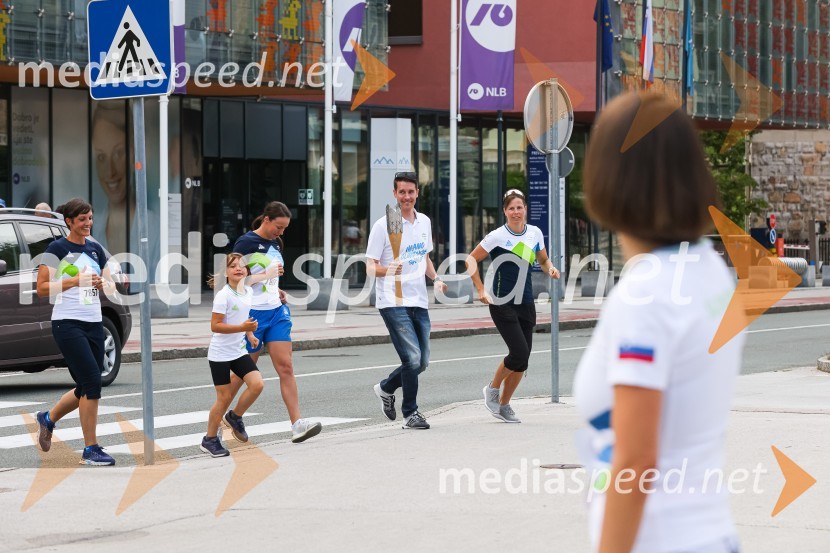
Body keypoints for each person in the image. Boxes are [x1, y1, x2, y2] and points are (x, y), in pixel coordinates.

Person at [573, 92, 743, 553]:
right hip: (709, 533)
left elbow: (636, 461)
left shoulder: (645, 295)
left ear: (609, 179)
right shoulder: (710, 272)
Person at [226, 201, 322, 443]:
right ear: (266, 220)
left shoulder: (276, 243)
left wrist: (276, 290)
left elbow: (269, 280)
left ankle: (297, 425)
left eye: (285, 228)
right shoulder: (245, 243)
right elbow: (236, 282)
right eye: (278, 227)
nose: (281, 233)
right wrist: (266, 276)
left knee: (286, 367)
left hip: (277, 312)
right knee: (242, 374)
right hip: (253, 315)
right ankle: (225, 418)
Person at [33, 198, 118, 466]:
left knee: (85, 385)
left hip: (94, 322)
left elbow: (112, 287)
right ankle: (90, 449)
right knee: (93, 381)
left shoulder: (95, 250)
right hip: (67, 323)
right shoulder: (55, 249)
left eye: (90, 218)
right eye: (82, 219)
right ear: (69, 221)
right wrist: (74, 281)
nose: (87, 224)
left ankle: (48, 419)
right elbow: (42, 288)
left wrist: (106, 283)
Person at [465, 189, 560, 423]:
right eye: (511, 208)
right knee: (518, 352)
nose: (516, 212)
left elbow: (543, 258)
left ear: (525, 209)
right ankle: (492, 389)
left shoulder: (535, 233)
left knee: (523, 360)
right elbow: (470, 260)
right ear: (505, 211)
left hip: (525, 302)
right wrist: (480, 289)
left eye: (519, 207)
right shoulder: (497, 236)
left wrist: (550, 268)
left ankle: (504, 405)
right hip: (501, 302)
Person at [367, 171, 447, 430]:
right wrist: (387, 270)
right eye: (401, 192)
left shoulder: (423, 221)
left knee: (421, 362)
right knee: (411, 358)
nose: (406, 197)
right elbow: (370, 267)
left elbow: (425, 258)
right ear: (394, 194)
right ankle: (410, 414)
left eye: (410, 192)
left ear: (417, 193)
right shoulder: (385, 225)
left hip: (418, 300)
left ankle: (385, 388)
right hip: (392, 300)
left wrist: (435, 280)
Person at [201, 253, 265, 457]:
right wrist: (242, 327)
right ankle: (209, 440)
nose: (238, 268)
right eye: (233, 266)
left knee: (257, 384)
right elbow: (215, 326)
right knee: (224, 397)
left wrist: (250, 334)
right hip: (220, 354)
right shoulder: (223, 295)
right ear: (226, 272)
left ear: (247, 271)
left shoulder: (247, 291)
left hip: (238, 351)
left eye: (242, 266)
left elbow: (244, 318)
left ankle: (235, 417)